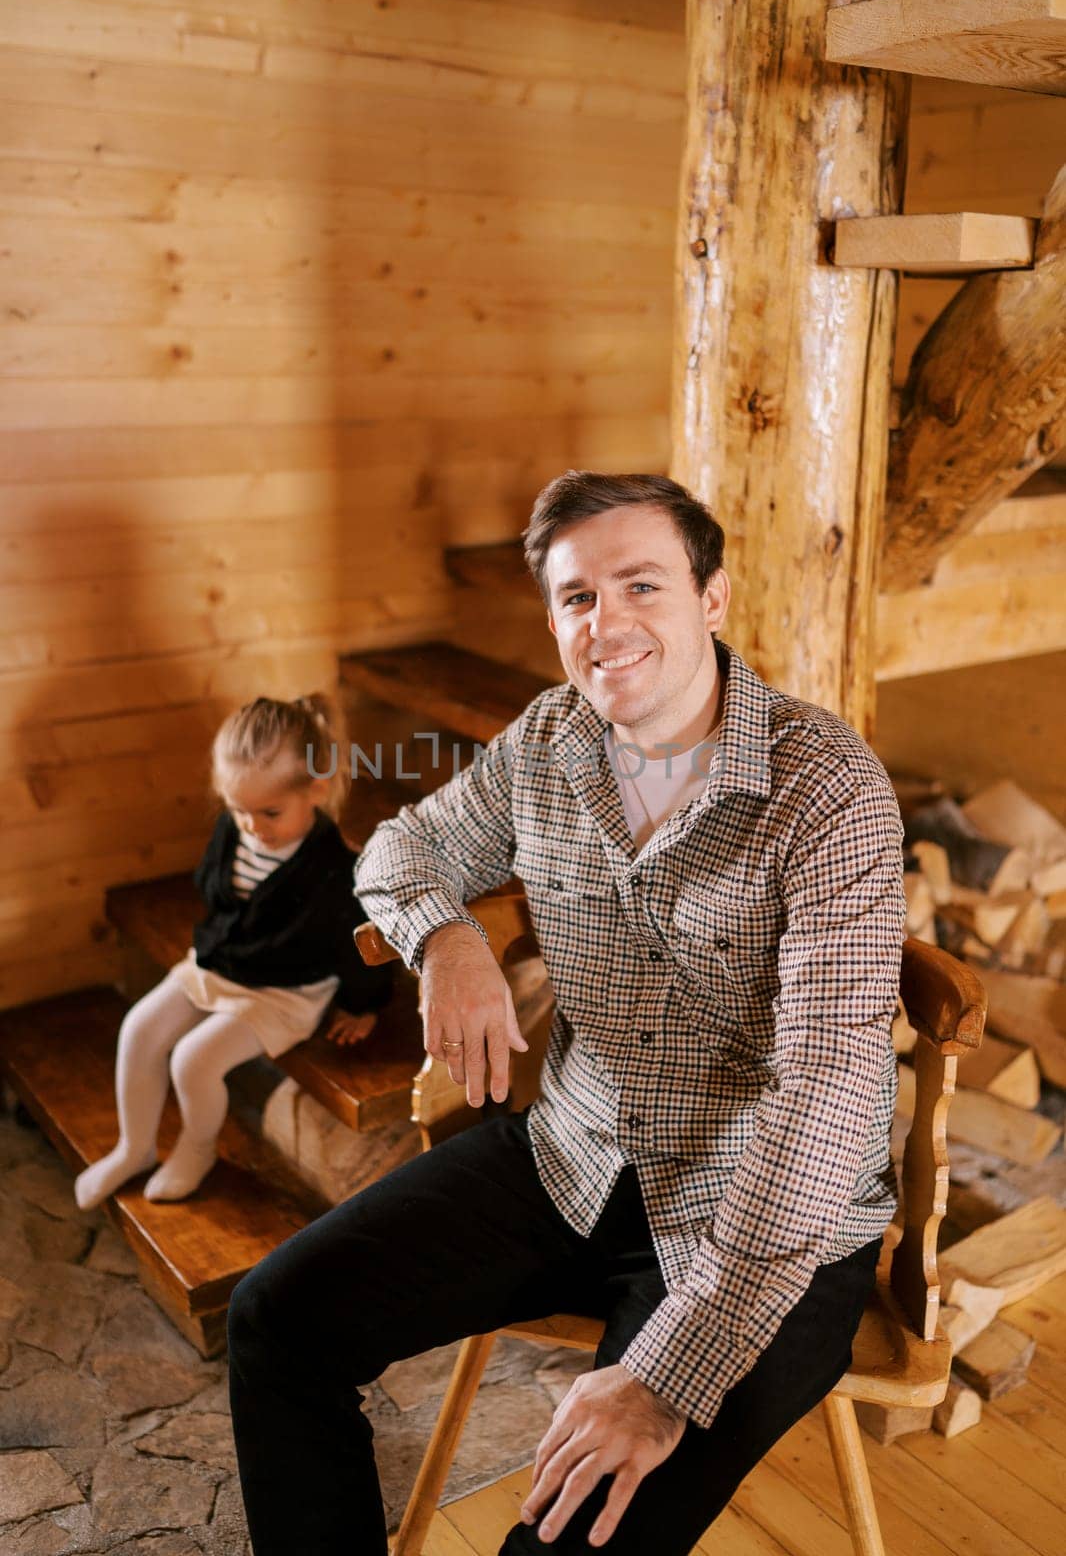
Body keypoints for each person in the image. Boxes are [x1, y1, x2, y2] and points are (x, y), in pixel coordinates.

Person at [226, 472, 905, 1556]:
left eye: (642, 584)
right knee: (276, 1319)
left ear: (711, 598)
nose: (609, 622)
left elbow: (824, 1100)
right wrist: (447, 940)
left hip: (767, 1220)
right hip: (571, 1155)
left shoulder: (825, 788)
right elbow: (403, 846)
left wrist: (663, 1377)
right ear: (551, 620)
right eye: (578, 597)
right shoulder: (549, 740)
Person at [74, 693, 391, 1211]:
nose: (253, 827)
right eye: (238, 811)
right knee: (139, 1029)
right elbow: (215, 889)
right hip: (224, 962)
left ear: (317, 787)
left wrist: (363, 1005)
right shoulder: (236, 830)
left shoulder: (332, 871)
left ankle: (197, 1151)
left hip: (284, 990)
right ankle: (133, 1148)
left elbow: (353, 943)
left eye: (269, 812)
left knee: (193, 1060)